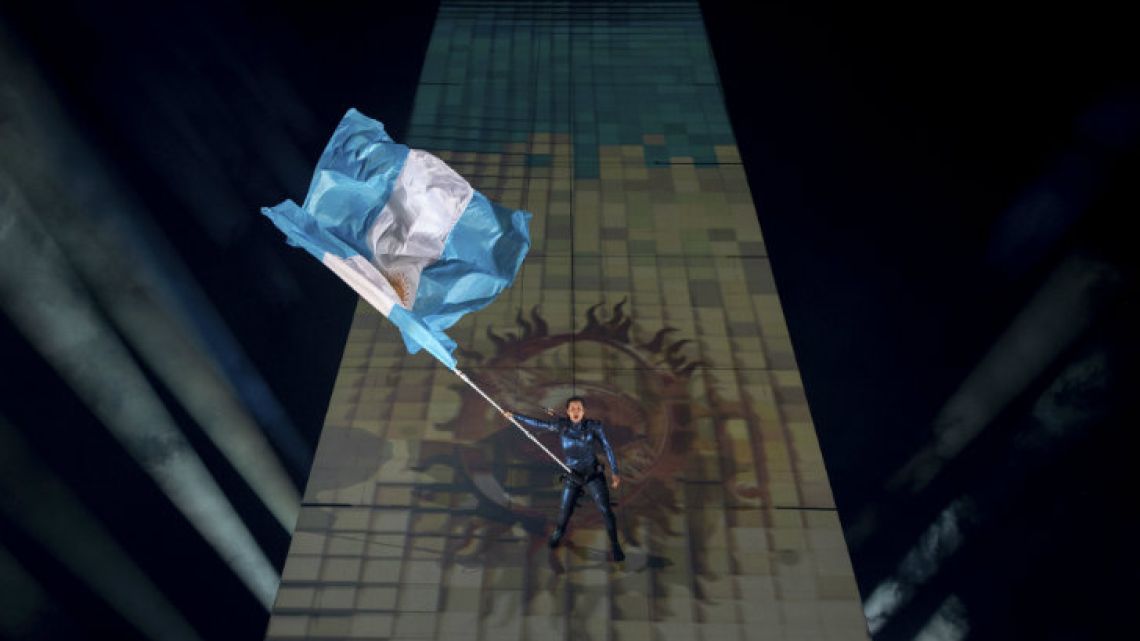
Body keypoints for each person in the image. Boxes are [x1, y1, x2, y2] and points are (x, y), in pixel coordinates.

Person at [503, 397, 625, 562]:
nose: (576, 411)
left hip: (592, 474)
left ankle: (615, 544)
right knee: (565, 511)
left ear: (584, 411)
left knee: (605, 510)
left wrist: (615, 472)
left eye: (579, 408)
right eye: (573, 409)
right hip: (572, 474)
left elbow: (607, 447)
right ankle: (558, 533)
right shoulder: (561, 425)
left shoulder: (594, 426)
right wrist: (515, 417)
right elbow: (539, 424)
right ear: (568, 412)